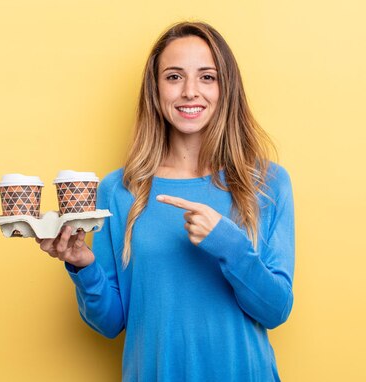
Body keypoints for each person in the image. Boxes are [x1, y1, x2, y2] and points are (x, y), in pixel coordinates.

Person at [36, 21, 295, 382]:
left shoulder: (267, 184)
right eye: (174, 77)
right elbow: (111, 323)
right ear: (155, 90)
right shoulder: (120, 189)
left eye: (207, 77)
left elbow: (275, 309)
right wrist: (84, 266)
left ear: (226, 88)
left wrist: (228, 243)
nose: (191, 91)